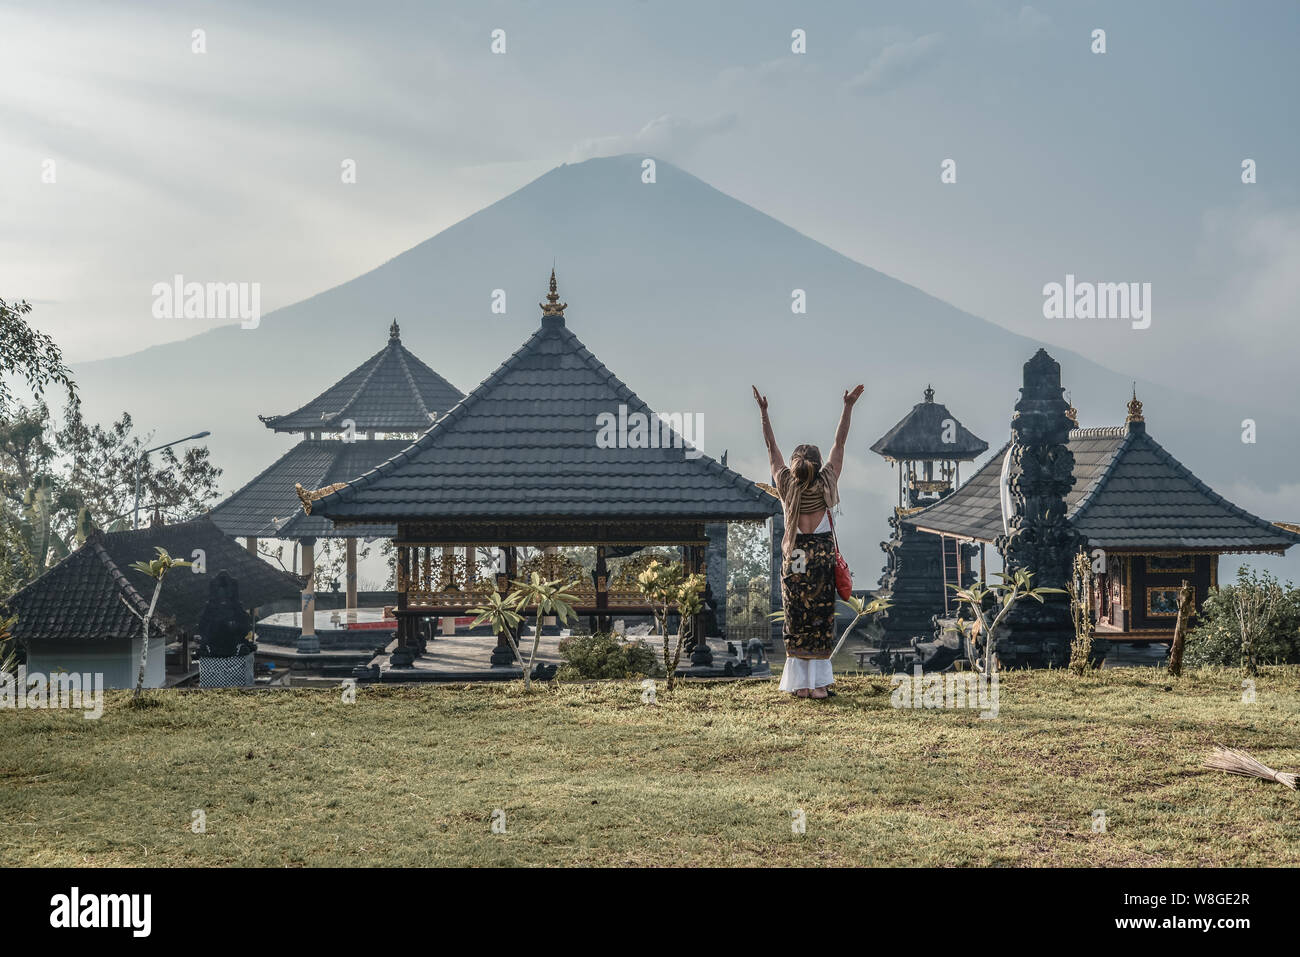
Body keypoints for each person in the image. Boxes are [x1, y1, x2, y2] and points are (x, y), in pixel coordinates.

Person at [752, 384, 864, 699]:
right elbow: (839, 443)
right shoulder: (828, 482)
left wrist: (764, 413)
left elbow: (771, 448)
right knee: (820, 620)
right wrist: (848, 407)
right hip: (822, 560)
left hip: (794, 560)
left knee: (796, 619)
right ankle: (818, 685)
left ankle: (799, 686)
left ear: (795, 465)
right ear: (818, 465)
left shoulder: (786, 484)